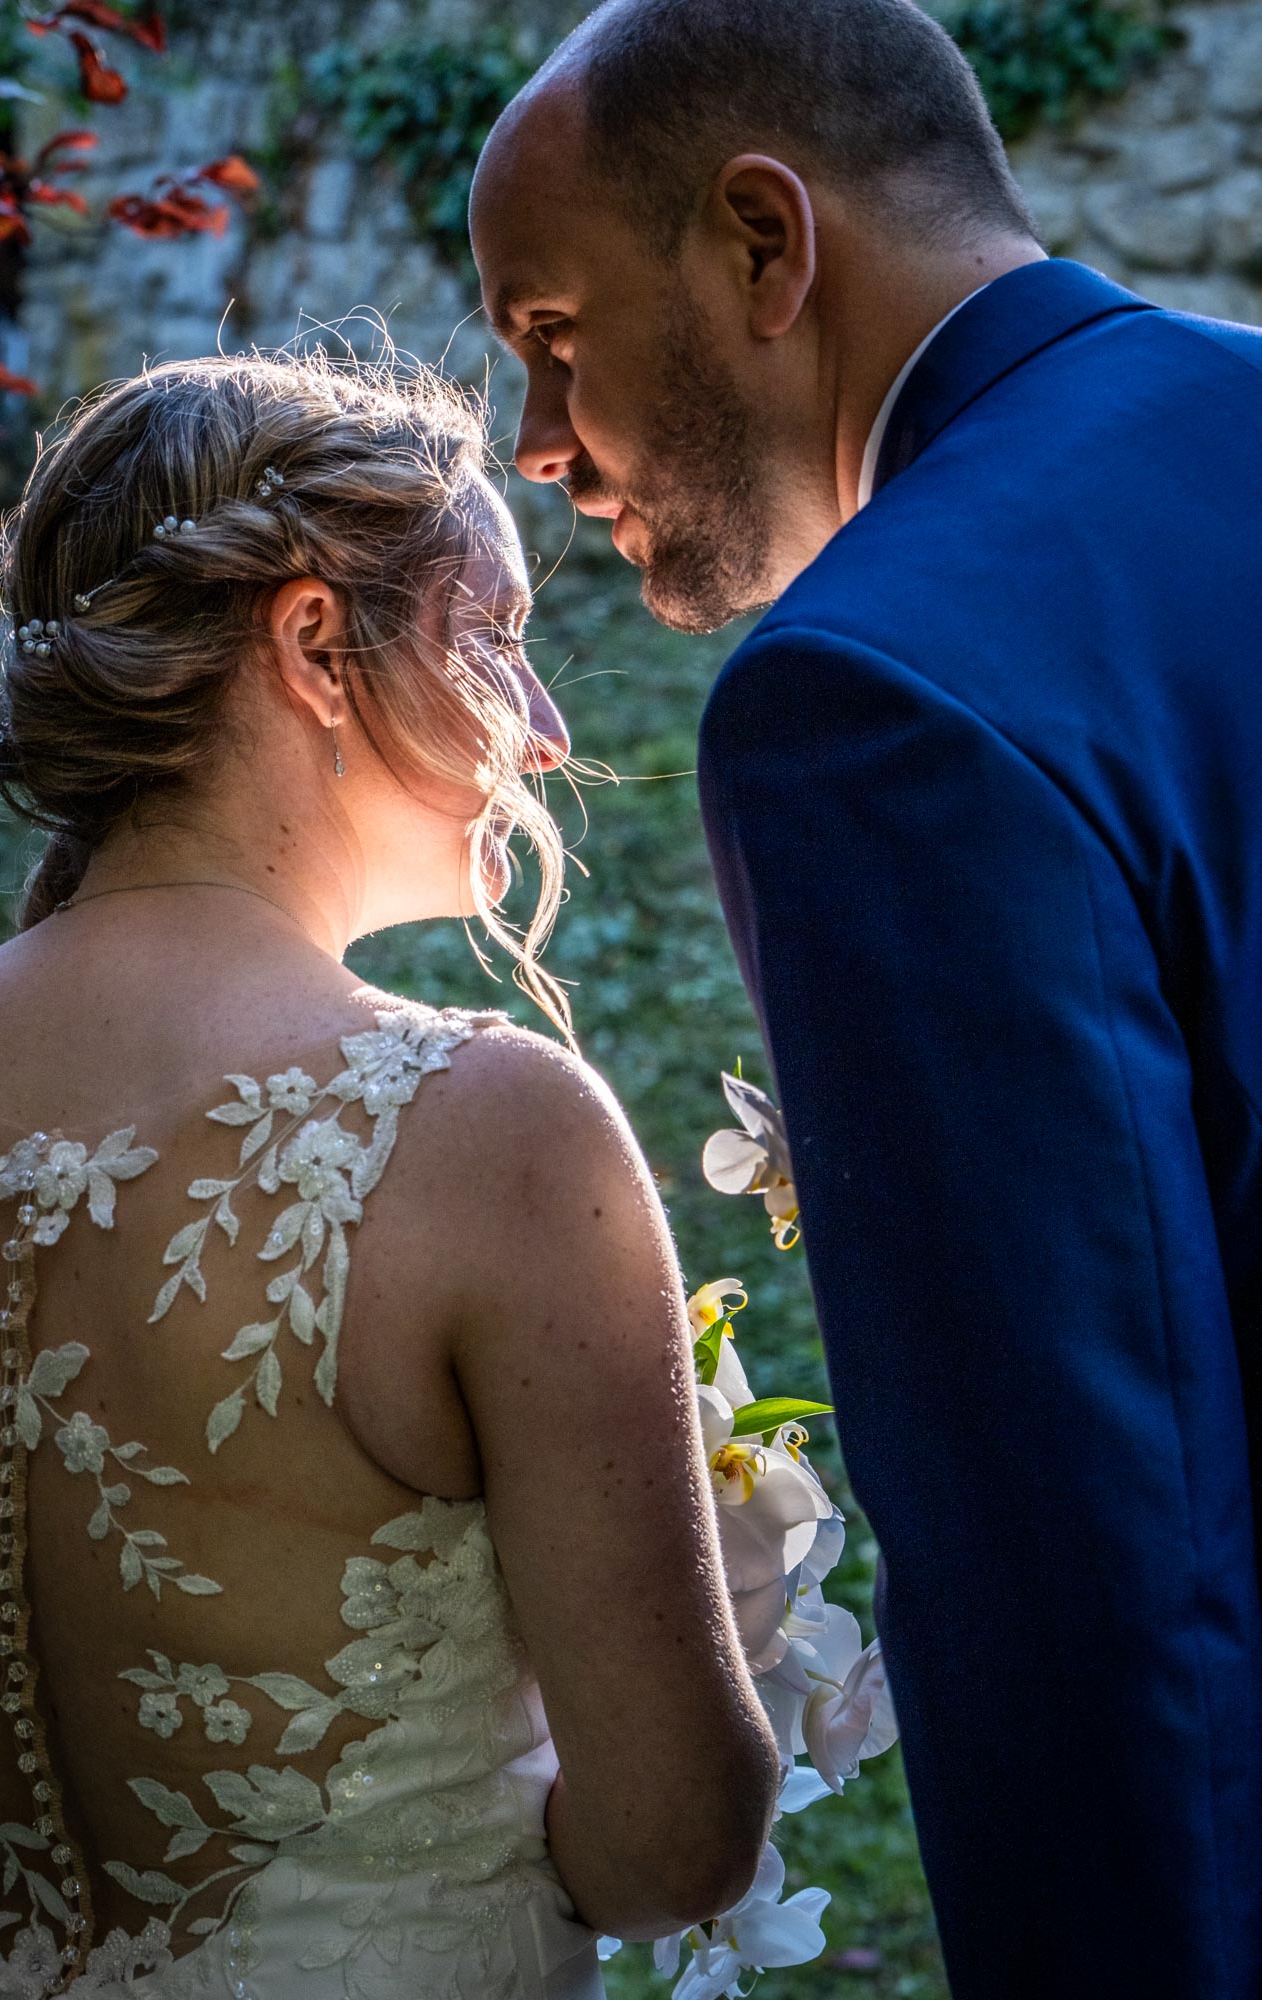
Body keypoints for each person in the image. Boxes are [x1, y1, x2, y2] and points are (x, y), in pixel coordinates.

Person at [469, 1, 1262, 1994]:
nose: (536, 442)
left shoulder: (878, 697)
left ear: (763, 242)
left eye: (552, 332)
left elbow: (1072, 1544)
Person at [0, 352, 779, 1996]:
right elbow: (676, 1844)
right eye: (495, 638)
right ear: (312, 645)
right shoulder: (486, 1133)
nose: (546, 731)